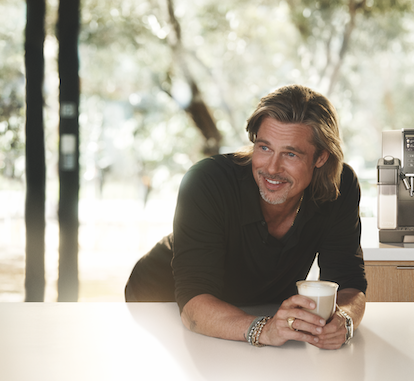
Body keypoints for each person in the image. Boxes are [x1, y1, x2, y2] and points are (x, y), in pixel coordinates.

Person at [125, 84, 367, 350]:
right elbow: (193, 306)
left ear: (321, 157)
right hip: (164, 301)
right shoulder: (207, 181)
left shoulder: (339, 186)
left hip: (252, 308)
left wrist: (343, 320)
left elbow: (349, 283)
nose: (272, 168)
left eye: (290, 154)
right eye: (264, 148)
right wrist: (265, 329)